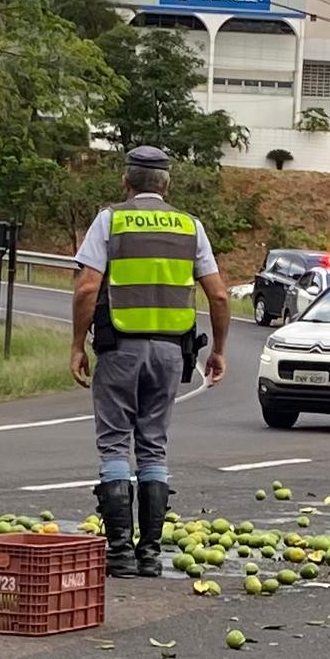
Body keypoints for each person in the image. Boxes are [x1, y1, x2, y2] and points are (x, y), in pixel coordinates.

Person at [71, 146, 230, 575]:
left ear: (126, 182)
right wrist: (218, 349)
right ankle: (151, 555)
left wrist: (75, 344)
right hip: (169, 354)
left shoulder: (111, 220)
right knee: (154, 446)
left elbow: (87, 288)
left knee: (114, 443)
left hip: (119, 348)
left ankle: (120, 553)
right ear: (167, 184)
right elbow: (218, 293)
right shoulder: (189, 226)